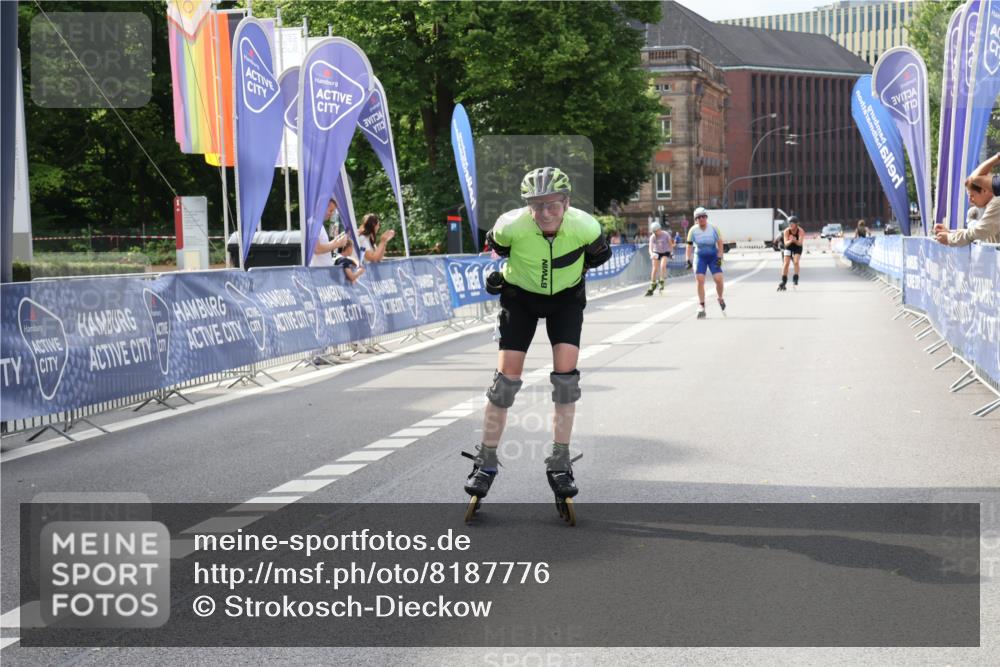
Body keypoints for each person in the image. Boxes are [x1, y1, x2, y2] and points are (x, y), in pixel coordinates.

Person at [463, 166, 611, 525]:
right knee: (504, 384)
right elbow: (496, 251)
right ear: (527, 205)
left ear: (567, 203)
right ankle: (486, 461)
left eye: (553, 205)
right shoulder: (510, 225)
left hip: (566, 300)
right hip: (521, 298)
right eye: (537, 205)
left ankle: (560, 461)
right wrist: (496, 277)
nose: (545, 213)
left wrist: (571, 272)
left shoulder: (585, 227)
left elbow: (599, 256)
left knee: (566, 382)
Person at [933, 152, 1000, 246]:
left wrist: (950, 238)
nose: (970, 200)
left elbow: (977, 233)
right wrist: (951, 234)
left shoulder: (997, 203)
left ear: (984, 190)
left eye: (972, 195)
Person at [684, 206, 725, 318]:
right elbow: (689, 246)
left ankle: (720, 298)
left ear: (706, 217)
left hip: (713, 256)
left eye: (703, 216)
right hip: (700, 256)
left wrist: (720, 257)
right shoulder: (693, 230)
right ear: (695, 219)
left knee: (718, 279)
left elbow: (720, 242)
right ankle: (701, 305)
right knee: (700, 279)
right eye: (698, 217)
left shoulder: (713, 228)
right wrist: (688, 259)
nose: (701, 219)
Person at [309, 199, 350, 268]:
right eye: (331, 211)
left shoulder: (317, 224)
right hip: (320, 270)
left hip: (323, 269)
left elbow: (322, 246)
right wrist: (338, 244)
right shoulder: (314, 223)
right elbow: (317, 249)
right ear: (323, 208)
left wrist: (336, 240)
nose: (332, 214)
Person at [645, 221, 675, 296]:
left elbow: (670, 244)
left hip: (665, 251)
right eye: (654, 231)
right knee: (654, 268)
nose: (656, 233)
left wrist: (671, 253)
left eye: (657, 231)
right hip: (656, 252)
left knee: (662, 266)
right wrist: (651, 254)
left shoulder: (666, 234)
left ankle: (661, 280)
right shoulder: (653, 237)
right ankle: (653, 283)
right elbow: (650, 248)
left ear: (660, 229)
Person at [778, 215, 804, 290]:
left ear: (796, 224)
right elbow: (786, 243)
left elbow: (800, 243)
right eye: (789, 224)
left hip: (797, 246)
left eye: (792, 223)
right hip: (789, 246)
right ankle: (784, 280)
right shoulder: (786, 231)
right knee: (786, 263)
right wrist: (791, 240)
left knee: (796, 262)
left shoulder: (800, 231)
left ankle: (795, 277)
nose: (790, 225)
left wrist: (795, 240)